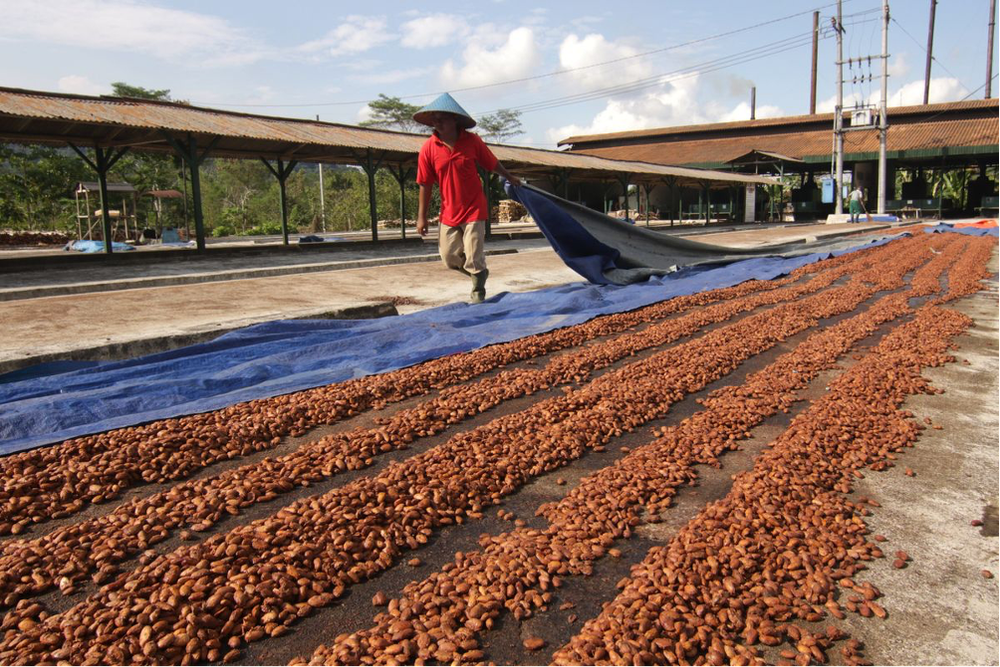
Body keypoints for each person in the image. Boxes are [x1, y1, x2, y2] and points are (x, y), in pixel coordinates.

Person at [413, 93, 521, 303]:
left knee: (473, 254)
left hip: (473, 208)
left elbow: (491, 163)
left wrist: (508, 176)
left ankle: (478, 291)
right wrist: (421, 217)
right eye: (434, 120)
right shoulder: (428, 148)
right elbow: (424, 184)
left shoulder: (472, 142)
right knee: (449, 257)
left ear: (455, 120)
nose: (437, 123)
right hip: (449, 211)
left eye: (441, 119)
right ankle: (479, 275)